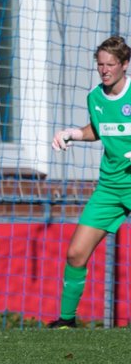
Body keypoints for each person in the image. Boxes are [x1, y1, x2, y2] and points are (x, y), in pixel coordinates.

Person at [48, 34, 131, 328]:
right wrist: (72, 133)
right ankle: (66, 321)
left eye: (110, 64)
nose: (104, 70)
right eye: (100, 65)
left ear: (124, 65)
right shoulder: (95, 97)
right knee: (75, 253)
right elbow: (100, 129)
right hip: (110, 187)